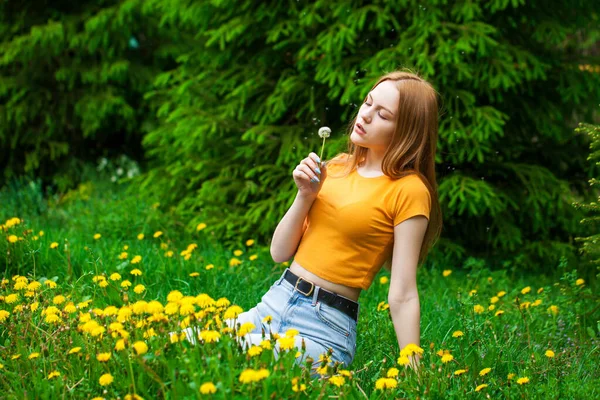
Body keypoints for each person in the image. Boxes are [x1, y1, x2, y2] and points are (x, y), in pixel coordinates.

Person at [175, 70, 442, 378]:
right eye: (367, 103)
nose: (365, 116)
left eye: (382, 114)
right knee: (177, 346)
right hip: (271, 306)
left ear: (406, 131)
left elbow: (404, 291)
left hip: (323, 328)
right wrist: (305, 196)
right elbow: (279, 253)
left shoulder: (408, 190)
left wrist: (414, 368)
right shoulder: (337, 166)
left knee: (222, 359)